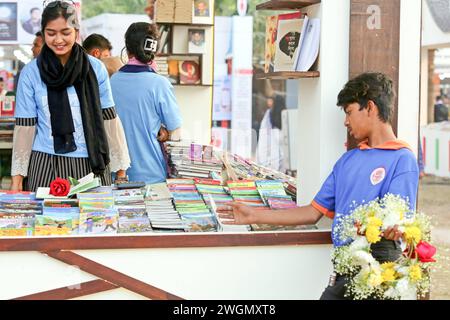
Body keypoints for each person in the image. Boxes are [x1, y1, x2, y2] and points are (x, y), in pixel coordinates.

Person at [218, 72, 420, 300]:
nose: (345, 121)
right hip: (343, 273)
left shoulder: (402, 159)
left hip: (380, 273)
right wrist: (253, 215)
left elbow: (397, 222)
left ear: (370, 108)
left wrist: (395, 229)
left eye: (349, 111)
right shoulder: (347, 161)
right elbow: (312, 212)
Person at [10, 1, 131, 192]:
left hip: (92, 163)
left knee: (95, 221)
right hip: (46, 164)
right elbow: (25, 126)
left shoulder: (95, 68)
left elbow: (108, 117)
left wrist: (121, 170)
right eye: (51, 33)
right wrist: (17, 179)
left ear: (76, 31)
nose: (58, 40)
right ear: (43, 32)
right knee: (48, 221)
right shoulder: (31, 73)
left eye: (65, 33)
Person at [110, 22, 182, 184]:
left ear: (127, 49)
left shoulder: (112, 81)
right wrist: (167, 132)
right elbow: (176, 133)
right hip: (152, 175)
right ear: (153, 50)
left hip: (118, 174)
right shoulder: (159, 84)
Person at [256, 95, 286, 172]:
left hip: (273, 138)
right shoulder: (285, 112)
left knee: (274, 158)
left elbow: (264, 128)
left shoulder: (270, 113)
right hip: (282, 138)